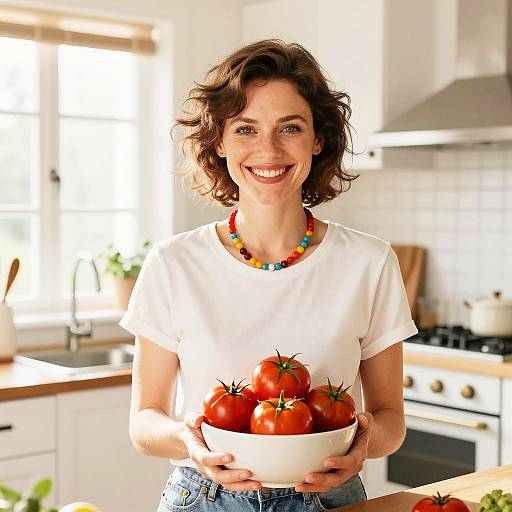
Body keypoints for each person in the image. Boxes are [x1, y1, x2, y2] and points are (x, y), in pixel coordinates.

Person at [119, 39, 418, 512]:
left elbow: (390, 421)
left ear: (317, 139)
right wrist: (189, 441)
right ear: (218, 141)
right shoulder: (173, 263)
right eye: (245, 129)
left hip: (330, 497)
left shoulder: (370, 262)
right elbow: (144, 423)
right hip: (204, 497)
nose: (268, 149)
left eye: (290, 127)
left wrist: (362, 444)